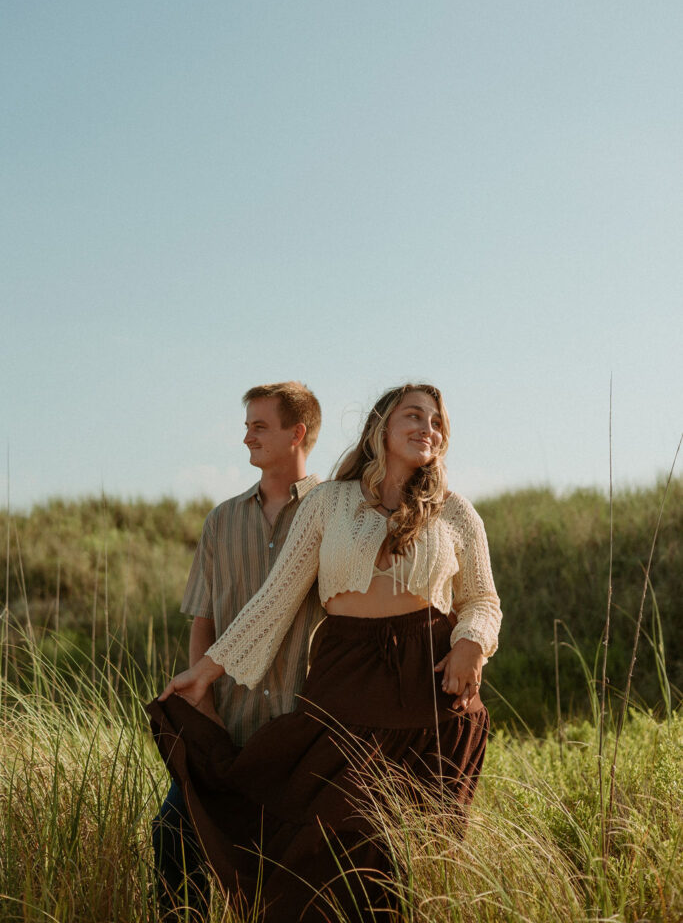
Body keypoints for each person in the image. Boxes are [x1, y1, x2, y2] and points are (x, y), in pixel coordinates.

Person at [149, 383, 501, 922]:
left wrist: (471, 646)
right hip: (346, 687)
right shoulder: (329, 502)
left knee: (402, 860)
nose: (427, 428)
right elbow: (274, 600)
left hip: (429, 690)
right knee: (322, 846)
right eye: (414, 416)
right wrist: (205, 671)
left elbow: (482, 599)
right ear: (381, 426)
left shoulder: (455, 513)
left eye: (436, 422)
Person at [152, 381, 324, 916]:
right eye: (247, 424)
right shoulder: (221, 520)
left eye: (258, 426)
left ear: (296, 434)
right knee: (173, 834)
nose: (245, 436)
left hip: (303, 727)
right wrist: (203, 703)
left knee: (295, 870)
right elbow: (203, 616)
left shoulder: (335, 514)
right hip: (228, 723)